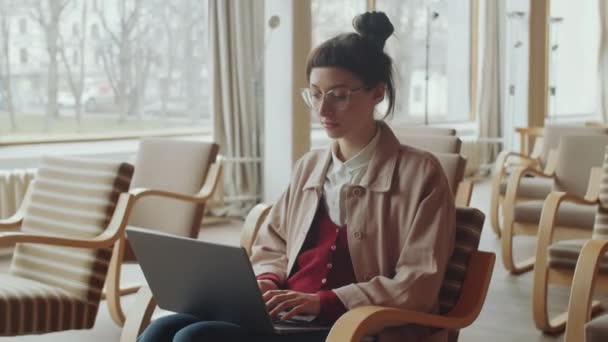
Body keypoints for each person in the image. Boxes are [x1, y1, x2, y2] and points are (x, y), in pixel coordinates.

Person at [138, 11, 455, 342]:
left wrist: (323, 302)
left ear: (377, 93)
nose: (323, 110)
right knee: (162, 329)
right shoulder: (309, 166)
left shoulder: (422, 175)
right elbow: (273, 242)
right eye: (315, 94)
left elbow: (418, 282)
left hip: (351, 327)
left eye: (339, 95)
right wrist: (266, 281)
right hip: (283, 316)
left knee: (196, 338)